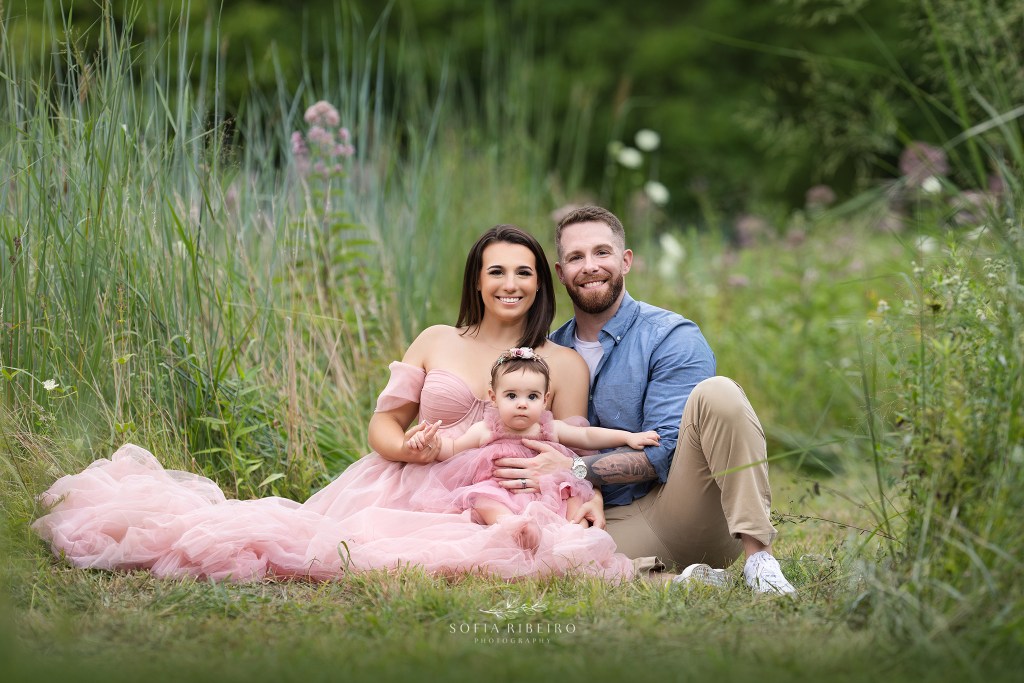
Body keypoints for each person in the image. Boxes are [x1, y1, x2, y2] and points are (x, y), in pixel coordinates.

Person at [31, 225, 634, 582]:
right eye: (495, 270)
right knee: (328, 547)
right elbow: (383, 426)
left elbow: (569, 444)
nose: (510, 283)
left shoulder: (561, 363)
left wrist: (590, 491)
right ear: (476, 281)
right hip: (409, 484)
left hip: (504, 494)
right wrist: (415, 450)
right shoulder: (436, 340)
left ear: (540, 284)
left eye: (524, 272)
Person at [491, 206, 797, 594]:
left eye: (602, 252)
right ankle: (682, 582)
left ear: (626, 260)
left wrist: (575, 468)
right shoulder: (546, 355)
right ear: (560, 272)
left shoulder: (670, 336)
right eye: (575, 257)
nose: (590, 266)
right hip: (605, 523)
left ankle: (760, 561)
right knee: (534, 558)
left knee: (718, 393)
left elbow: (666, 452)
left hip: (682, 507)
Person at [406, 347, 659, 552]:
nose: (522, 405)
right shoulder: (486, 429)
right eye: (512, 396)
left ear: (546, 399)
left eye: (532, 397)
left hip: (544, 489)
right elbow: (453, 449)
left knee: (571, 493)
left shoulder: (549, 427)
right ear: (494, 398)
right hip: (500, 490)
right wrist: (432, 444)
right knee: (482, 498)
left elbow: (587, 435)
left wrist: (629, 436)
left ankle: (574, 535)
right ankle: (511, 525)